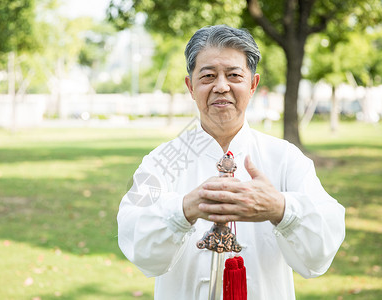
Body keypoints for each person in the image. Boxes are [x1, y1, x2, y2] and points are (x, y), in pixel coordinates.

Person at [118, 25, 345, 300]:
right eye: (208, 76)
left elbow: (321, 252)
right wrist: (184, 210)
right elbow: (135, 240)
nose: (221, 86)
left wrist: (280, 209)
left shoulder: (285, 158)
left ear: (253, 84)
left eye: (234, 75)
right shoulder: (161, 162)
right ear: (191, 86)